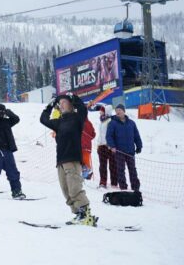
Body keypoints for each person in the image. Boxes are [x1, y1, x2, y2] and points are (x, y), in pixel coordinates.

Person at [40, 94, 97, 226]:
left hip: (72, 159)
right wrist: (50, 106)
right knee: (66, 190)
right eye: (60, 103)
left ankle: (86, 214)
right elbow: (43, 119)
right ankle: (78, 214)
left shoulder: (77, 119)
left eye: (64, 102)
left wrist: (73, 97)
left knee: (74, 188)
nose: (62, 104)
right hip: (60, 161)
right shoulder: (59, 122)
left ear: (71, 105)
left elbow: (82, 109)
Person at [106, 104, 143, 192]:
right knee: (120, 170)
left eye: (120, 110)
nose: (118, 111)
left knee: (133, 170)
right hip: (119, 151)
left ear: (124, 111)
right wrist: (112, 146)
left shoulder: (131, 123)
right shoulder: (112, 123)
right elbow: (109, 136)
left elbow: (136, 136)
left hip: (130, 151)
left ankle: (135, 188)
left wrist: (139, 146)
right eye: (116, 110)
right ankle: (123, 188)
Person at [96, 105, 117, 188]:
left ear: (106, 112)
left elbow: (112, 134)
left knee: (112, 165)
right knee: (102, 165)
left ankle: (114, 183)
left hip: (109, 146)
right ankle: (103, 182)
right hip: (101, 146)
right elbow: (100, 135)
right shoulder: (102, 121)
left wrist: (112, 145)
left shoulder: (110, 121)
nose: (100, 112)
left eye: (102, 111)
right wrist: (98, 144)